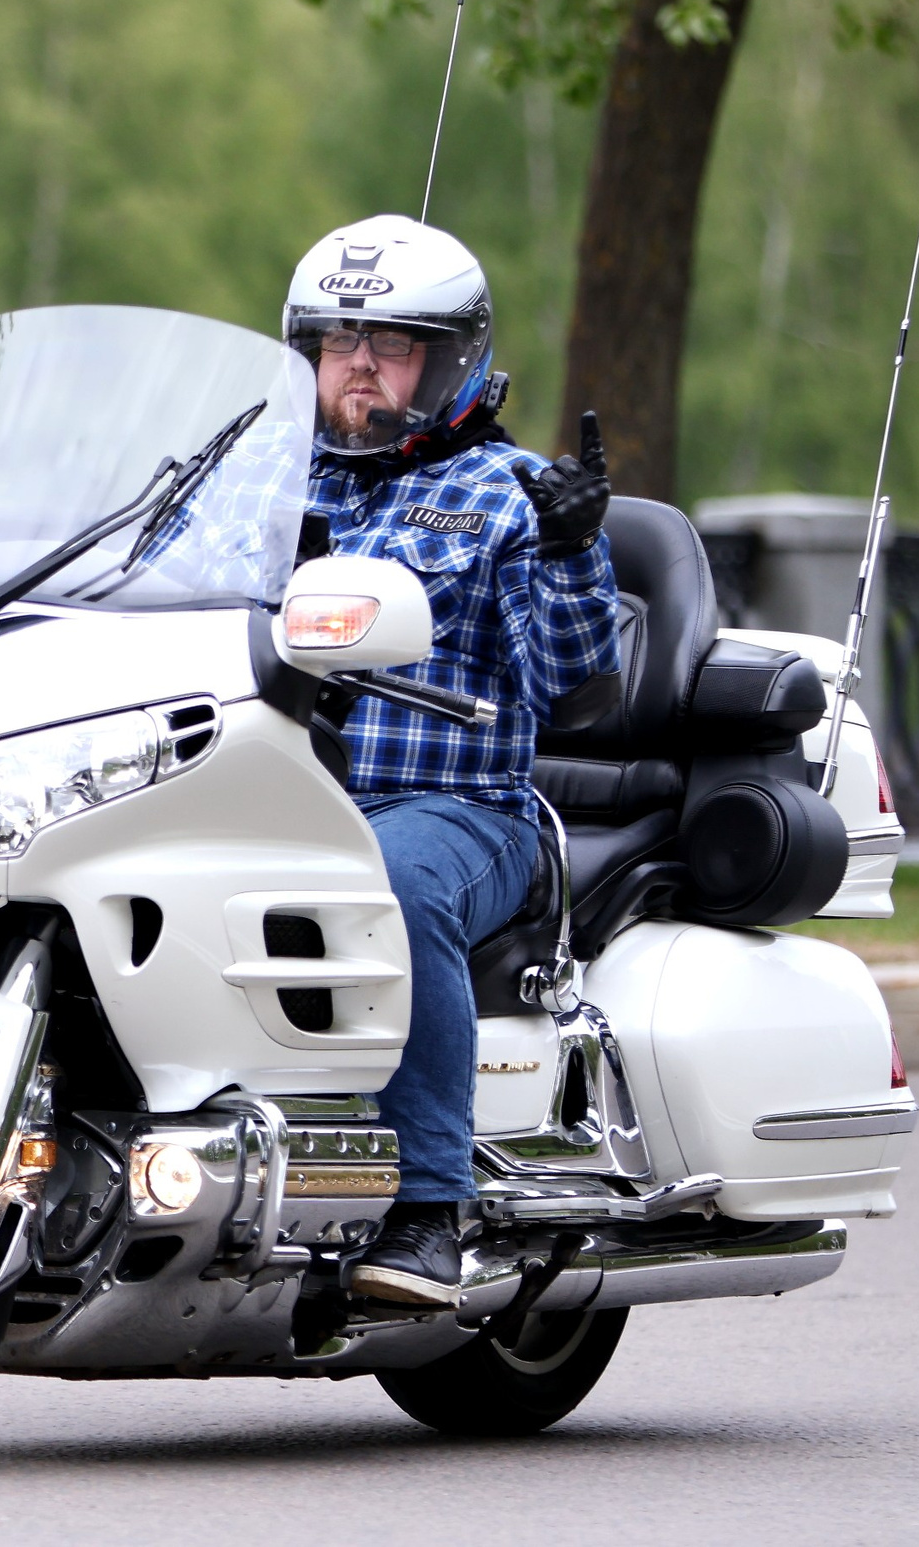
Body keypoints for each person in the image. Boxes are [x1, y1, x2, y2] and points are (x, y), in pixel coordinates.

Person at [281, 214, 621, 1305]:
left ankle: (429, 1208)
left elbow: (572, 685)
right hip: (273, 790)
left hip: (456, 807)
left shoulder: (509, 494)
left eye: (391, 344)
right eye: (338, 342)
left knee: (389, 884)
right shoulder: (261, 482)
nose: (359, 365)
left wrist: (573, 550)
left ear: (449, 361)